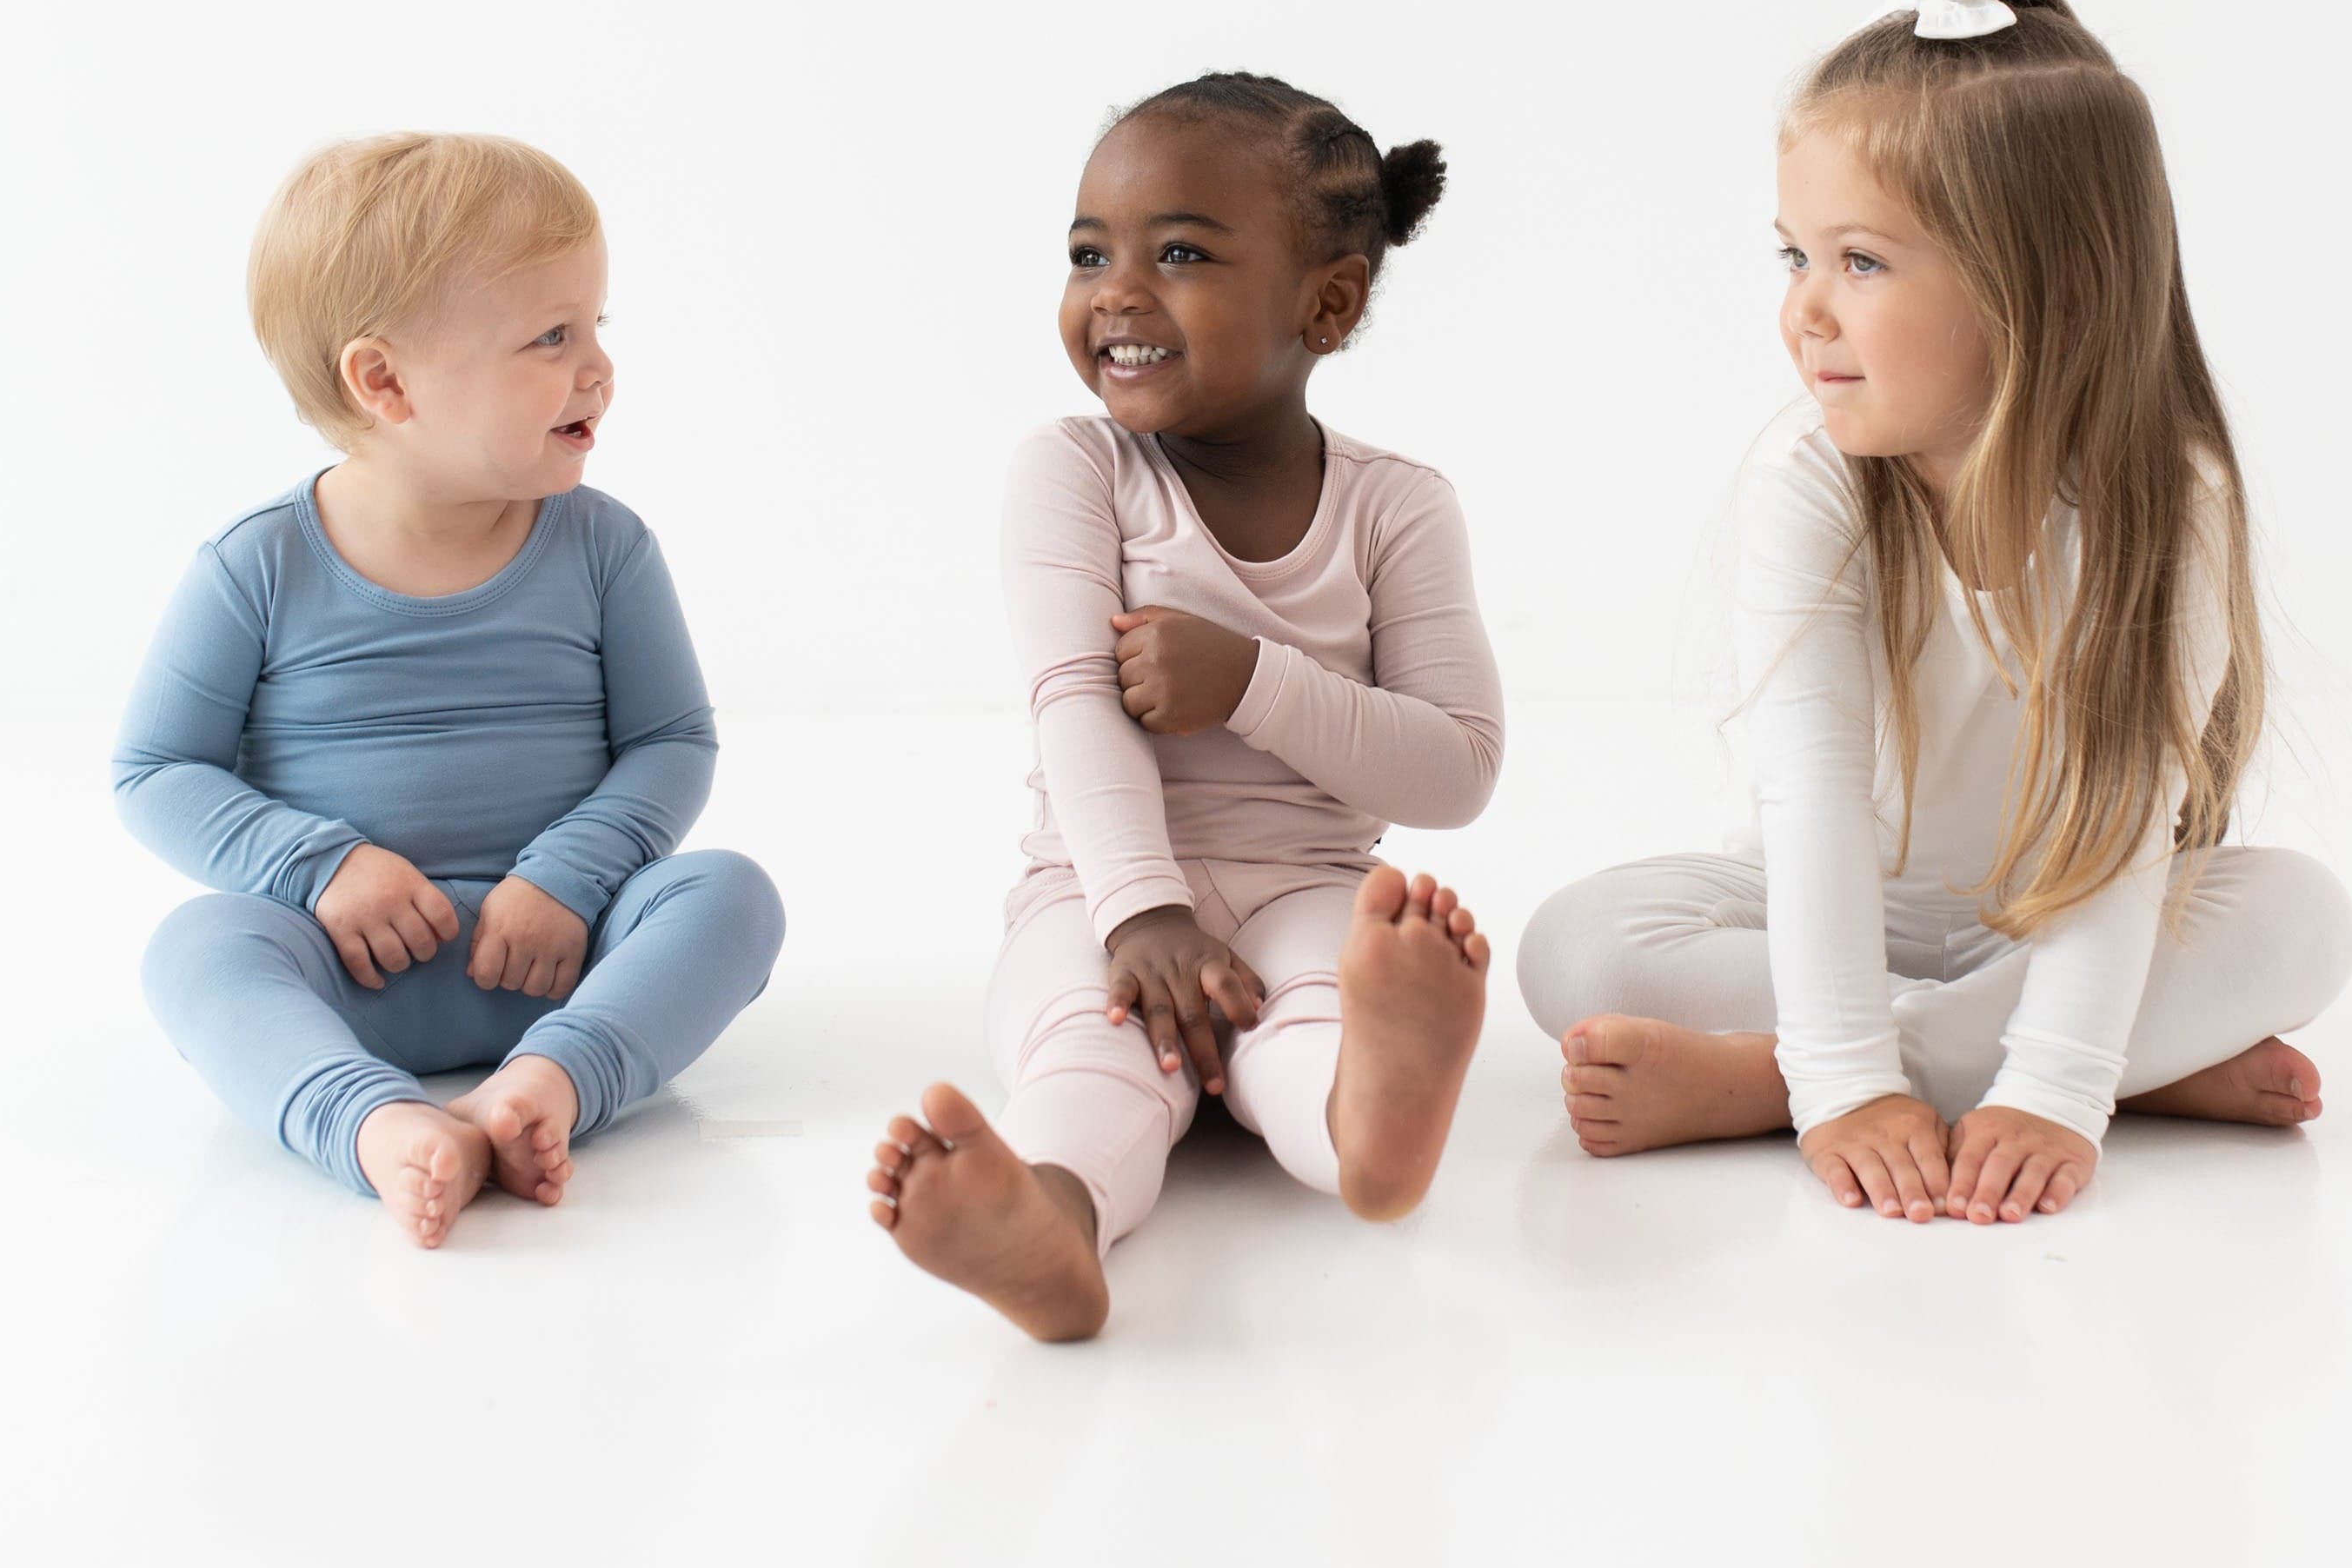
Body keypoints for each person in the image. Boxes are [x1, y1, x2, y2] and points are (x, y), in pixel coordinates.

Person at [1517, 0, 2352, 1226]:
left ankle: (1768, 1080)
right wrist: (1848, 1078)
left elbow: (2122, 840)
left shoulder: (2164, 499)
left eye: (1861, 262)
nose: (1804, 310)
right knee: (1577, 947)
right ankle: (2138, 1059)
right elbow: (1812, 810)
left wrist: (2057, 1090)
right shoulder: (1814, 484)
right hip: (1853, 908)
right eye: (1795, 252)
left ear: (2040, 286)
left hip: (2070, 908)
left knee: (2303, 920)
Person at [868, 73, 1503, 1336]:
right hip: (1091, 892)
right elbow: (1073, 704)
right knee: (1083, 1052)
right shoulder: (1074, 469)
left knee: (1317, 1010)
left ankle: (1366, 1127)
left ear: (1328, 302)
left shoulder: (1397, 506)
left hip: (1308, 886)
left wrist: (1253, 681)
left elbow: (1456, 770)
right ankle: (1049, 1221)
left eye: (1178, 253)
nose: (1116, 290)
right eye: (1087, 252)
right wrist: (1140, 913)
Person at [116, 132, 782, 1246]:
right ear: (384, 382)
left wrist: (569, 880)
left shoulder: (605, 548)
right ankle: (365, 1119)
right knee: (198, 948)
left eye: (598, 326)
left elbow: (672, 742)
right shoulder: (256, 566)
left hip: (566, 955)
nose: (599, 369)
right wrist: (318, 867)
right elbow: (154, 771)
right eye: (550, 336)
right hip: (345, 967)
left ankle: (548, 1088)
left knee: (730, 894)